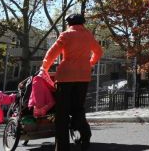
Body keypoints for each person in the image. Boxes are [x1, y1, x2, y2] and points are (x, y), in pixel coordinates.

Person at [41, 13, 103, 151]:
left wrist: (44, 67)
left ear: (69, 23)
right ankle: (85, 134)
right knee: (78, 108)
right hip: (83, 76)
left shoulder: (66, 35)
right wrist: (90, 63)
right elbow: (98, 51)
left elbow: (52, 53)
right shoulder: (88, 35)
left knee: (62, 113)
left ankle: (62, 148)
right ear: (82, 23)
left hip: (65, 77)